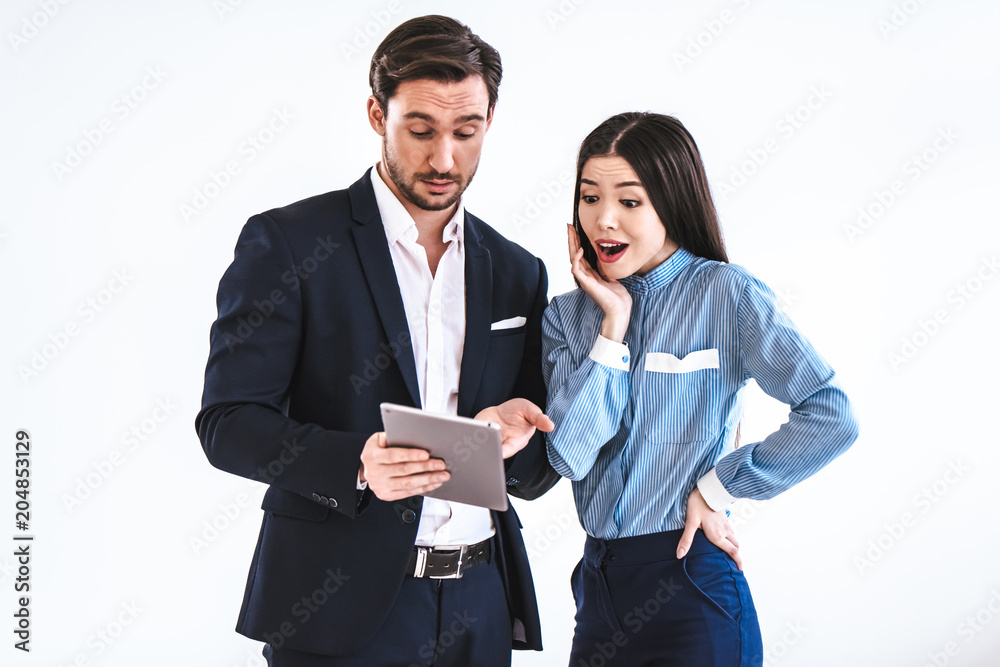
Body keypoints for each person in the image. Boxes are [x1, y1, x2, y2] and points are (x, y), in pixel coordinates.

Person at [195, 15, 560, 667]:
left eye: (466, 132)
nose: (444, 157)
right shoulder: (290, 243)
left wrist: (517, 432)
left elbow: (532, 476)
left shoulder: (516, 270)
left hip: (479, 600)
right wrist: (355, 462)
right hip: (335, 609)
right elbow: (226, 423)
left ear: (490, 121)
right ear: (376, 113)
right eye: (420, 129)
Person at [543, 112, 859, 666]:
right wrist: (612, 325)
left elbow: (831, 415)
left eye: (631, 201)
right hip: (599, 592)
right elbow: (569, 454)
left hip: (693, 585)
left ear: (673, 201)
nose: (604, 219)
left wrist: (719, 487)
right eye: (589, 198)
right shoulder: (569, 317)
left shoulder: (726, 295)